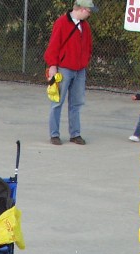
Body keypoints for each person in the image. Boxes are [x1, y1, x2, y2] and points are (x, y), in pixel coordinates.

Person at [44, 0, 95, 146]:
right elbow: (54, 45)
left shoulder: (85, 26)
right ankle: (54, 134)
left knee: (76, 103)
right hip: (64, 69)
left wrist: (85, 61)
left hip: (80, 69)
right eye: (89, 11)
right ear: (82, 9)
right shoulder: (61, 23)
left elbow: (88, 46)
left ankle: (75, 134)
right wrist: (53, 66)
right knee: (57, 102)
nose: (90, 14)